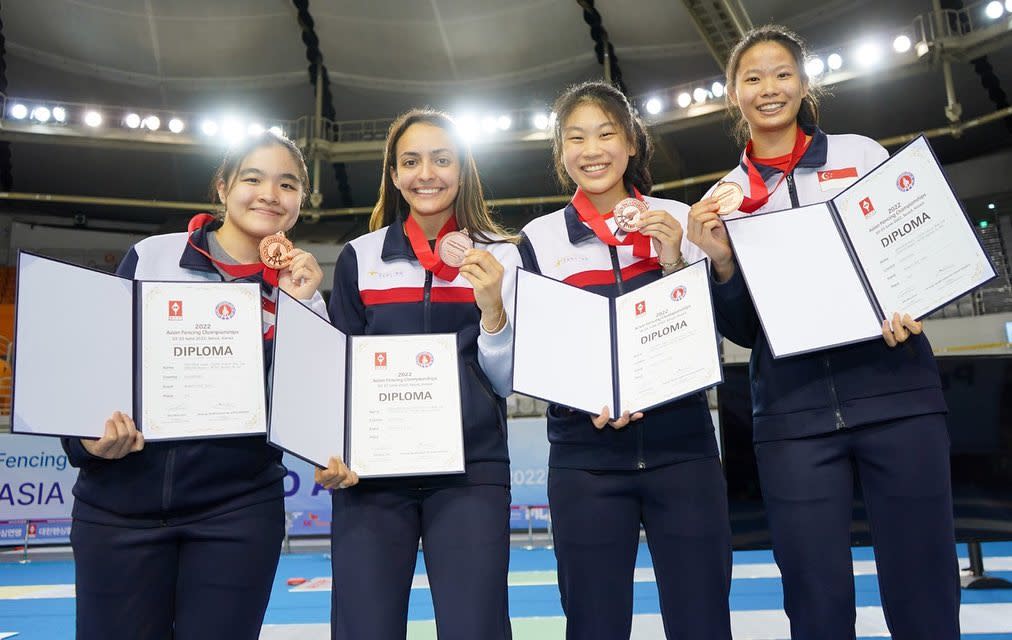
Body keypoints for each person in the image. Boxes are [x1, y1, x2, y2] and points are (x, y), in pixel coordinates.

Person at [686, 24, 960, 640]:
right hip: (794, 419)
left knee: (924, 587)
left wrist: (909, 300)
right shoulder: (720, 202)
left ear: (804, 83)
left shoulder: (860, 156)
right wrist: (722, 264)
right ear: (733, 94)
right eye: (752, 78)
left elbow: (909, 252)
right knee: (816, 598)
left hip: (897, 398)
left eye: (782, 74)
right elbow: (741, 331)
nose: (769, 89)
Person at [61, 130, 326, 639]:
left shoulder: (302, 286)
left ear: (299, 205)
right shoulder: (152, 256)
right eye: (253, 178)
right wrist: (85, 441)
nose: (270, 193)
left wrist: (302, 306)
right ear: (223, 188)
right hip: (118, 512)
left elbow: (308, 403)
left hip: (237, 513)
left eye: (288, 184)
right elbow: (98, 364)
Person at [517, 81, 732, 640]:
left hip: (682, 451)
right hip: (585, 461)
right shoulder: (539, 240)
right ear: (562, 154)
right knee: (594, 625)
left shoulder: (679, 219)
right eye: (576, 138)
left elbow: (710, 332)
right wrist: (582, 399)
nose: (593, 149)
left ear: (632, 142)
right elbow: (542, 348)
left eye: (606, 133)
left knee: (702, 620)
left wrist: (671, 263)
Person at [319, 108, 520, 640]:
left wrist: (493, 310)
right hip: (372, 476)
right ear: (393, 173)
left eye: (441, 159)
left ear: (463, 169)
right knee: (366, 629)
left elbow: (507, 382)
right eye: (410, 161)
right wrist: (331, 447)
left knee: (475, 629)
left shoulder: (503, 259)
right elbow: (338, 369)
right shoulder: (359, 258)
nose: (425, 173)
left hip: (471, 471)